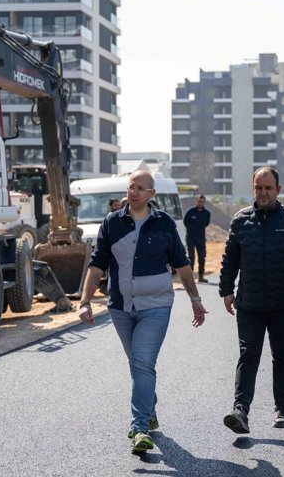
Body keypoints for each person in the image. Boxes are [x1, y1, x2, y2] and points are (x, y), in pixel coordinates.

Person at [77, 170, 208, 455]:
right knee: (140, 365)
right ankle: (149, 411)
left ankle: (139, 428)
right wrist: (85, 300)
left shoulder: (163, 224)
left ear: (152, 194)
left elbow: (182, 265)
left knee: (141, 362)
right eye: (130, 187)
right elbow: (97, 263)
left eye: (139, 188)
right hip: (121, 307)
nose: (133, 192)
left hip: (156, 306)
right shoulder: (112, 222)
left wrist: (196, 299)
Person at [219, 167, 284, 434]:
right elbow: (229, 259)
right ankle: (240, 410)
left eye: (268, 188)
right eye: (258, 188)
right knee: (248, 355)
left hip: (283, 303)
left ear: (278, 189)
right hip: (249, 304)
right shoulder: (240, 220)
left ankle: (281, 407)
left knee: (282, 356)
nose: (263, 192)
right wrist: (226, 290)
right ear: (253, 189)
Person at [184, 194, 211, 283]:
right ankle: (190, 277)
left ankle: (201, 276)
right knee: (191, 257)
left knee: (202, 257)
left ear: (204, 203)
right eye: (199, 201)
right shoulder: (190, 212)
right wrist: (192, 230)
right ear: (196, 202)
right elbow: (185, 222)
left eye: (202, 202)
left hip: (201, 238)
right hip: (190, 238)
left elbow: (206, 224)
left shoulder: (207, 213)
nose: (200, 203)